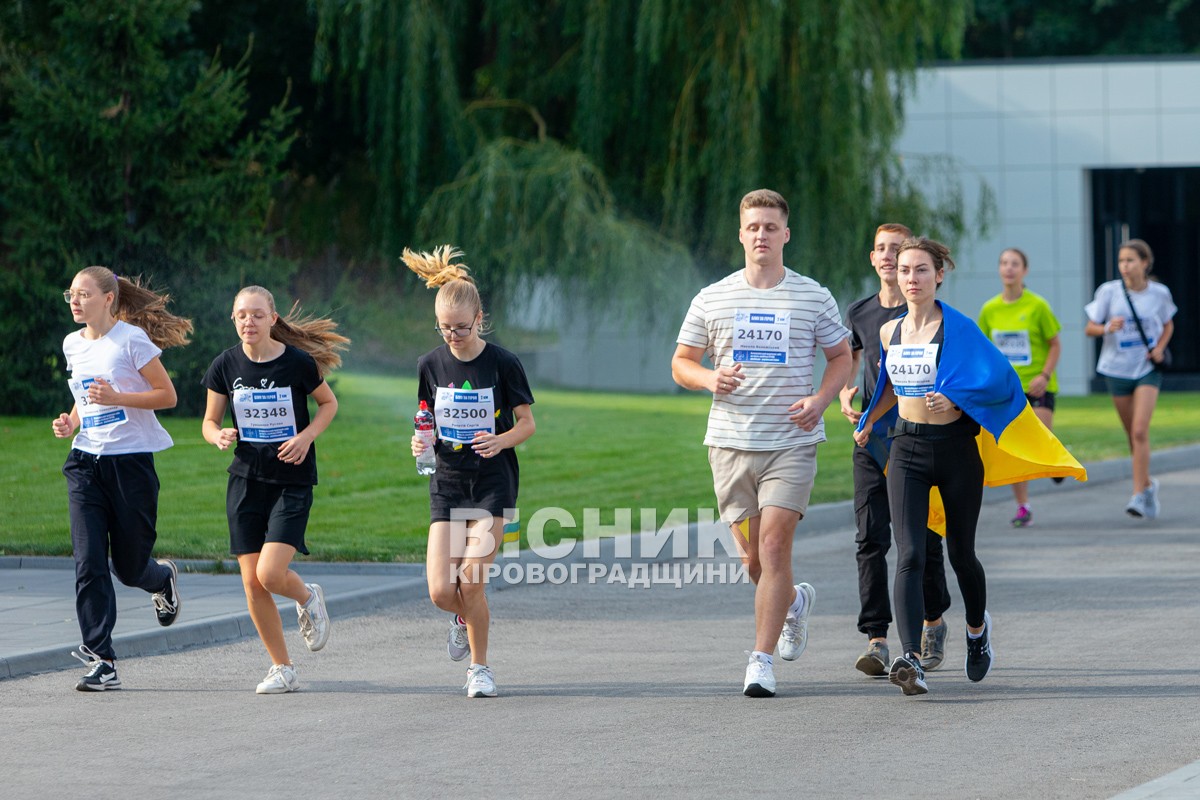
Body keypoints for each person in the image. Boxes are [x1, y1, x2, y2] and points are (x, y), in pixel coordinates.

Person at [854, 237, 1084, 696]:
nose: (912, 279)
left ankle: (977, 633)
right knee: (911, 554)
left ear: (939, 275)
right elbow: (889, 388)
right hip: (906, 451)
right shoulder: (888, 332)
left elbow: (1000, 382)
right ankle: (911, 659)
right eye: (904, 271)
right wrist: (869, 421)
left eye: (921, 270)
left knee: (961, 554)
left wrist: (959, 399)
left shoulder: (958, 330)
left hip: (957, 452)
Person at [672, 189, 852, 698]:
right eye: (753, 227)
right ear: (741, 234)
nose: (761, 235)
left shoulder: (813, 296)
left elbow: (841, 357)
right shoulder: (713, 297)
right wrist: (710, 379)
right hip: (729, 441)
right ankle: (793, 603)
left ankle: (760, 661)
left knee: (774, 547)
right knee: (753, 562)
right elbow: (681, 362)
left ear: (785, 235)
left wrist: (820, 399)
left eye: (771, 227)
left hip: (791, 441)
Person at [202, 286, 348, 694]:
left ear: (272, 318)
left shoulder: (298, 363)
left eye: (256, 315)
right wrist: (217, 436)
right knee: (252, 583)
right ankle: (282, 667)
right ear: (233, 319)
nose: (248, 322)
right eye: (241, 315)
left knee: (270, 573)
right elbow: (209, 421)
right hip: (246, 480)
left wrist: (306, 437)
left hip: (291, 479)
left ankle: (307, 597)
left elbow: (329, 404)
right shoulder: (224, 365)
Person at [405, 246, 536, 699]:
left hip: (494, 483)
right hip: (447, 481)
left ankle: (479, 669)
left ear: (479, 318)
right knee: (443, 591)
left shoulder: (503, 363)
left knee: (471, 580)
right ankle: (461, 618)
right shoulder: (429, 364)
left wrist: (501, 440)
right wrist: (420, 441)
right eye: (445, 329)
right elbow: (426, 419)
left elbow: (527, 424)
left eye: (462, 328)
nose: (454, 337)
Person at [53, 266, 192, 691]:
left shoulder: (131, 340)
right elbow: (85, 393)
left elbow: (167, 396)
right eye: (70, 295)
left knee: (128, 567)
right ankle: (102, 659)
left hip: (130, 464)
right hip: (85, 463)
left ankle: (160, 578)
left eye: (83, 294)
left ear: (109, 299)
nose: (75, 301)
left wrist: (118, 398)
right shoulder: (72, 343)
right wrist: (72, 420)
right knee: (89, 560)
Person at [840, 224, 953, 677]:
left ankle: (933, 620)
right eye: (882, 250)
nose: (889, 258)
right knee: (871, 539)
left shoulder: (931, 319)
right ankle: (878, 638)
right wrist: (848, 396)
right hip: (871, 439)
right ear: (873, 259)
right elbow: (852, 362)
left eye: (898, 251)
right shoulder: (862, 313)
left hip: (917, 438)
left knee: (922, 540)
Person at [1084, 239, 1176, 519]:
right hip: (1116, 370)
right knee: (1132, 435)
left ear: (1145, 263)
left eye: (1130, 260)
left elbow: (1168, 323)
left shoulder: (1159, 293)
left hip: (1146, 369)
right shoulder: (1109, 292)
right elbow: (1089, 328)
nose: (1125, 266)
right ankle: (1148, 485)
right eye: (1122, 261)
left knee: (1139, 431)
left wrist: (1159, 348)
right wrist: (1106, 328)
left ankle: (1137, 495)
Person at [978, 247, 1064, 527]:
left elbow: (1055, 344)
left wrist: (1045, 375)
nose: (1008, 268)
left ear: (1024, 271)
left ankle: (1055, 458)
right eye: (1004, 263)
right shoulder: (990, 309)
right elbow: (984, 350)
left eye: (1015, 264)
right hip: (1006, 389)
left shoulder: (1037, 306)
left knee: (1038, 437)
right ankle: (1022, 506)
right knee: (1016, 447)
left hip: (1037, 384)